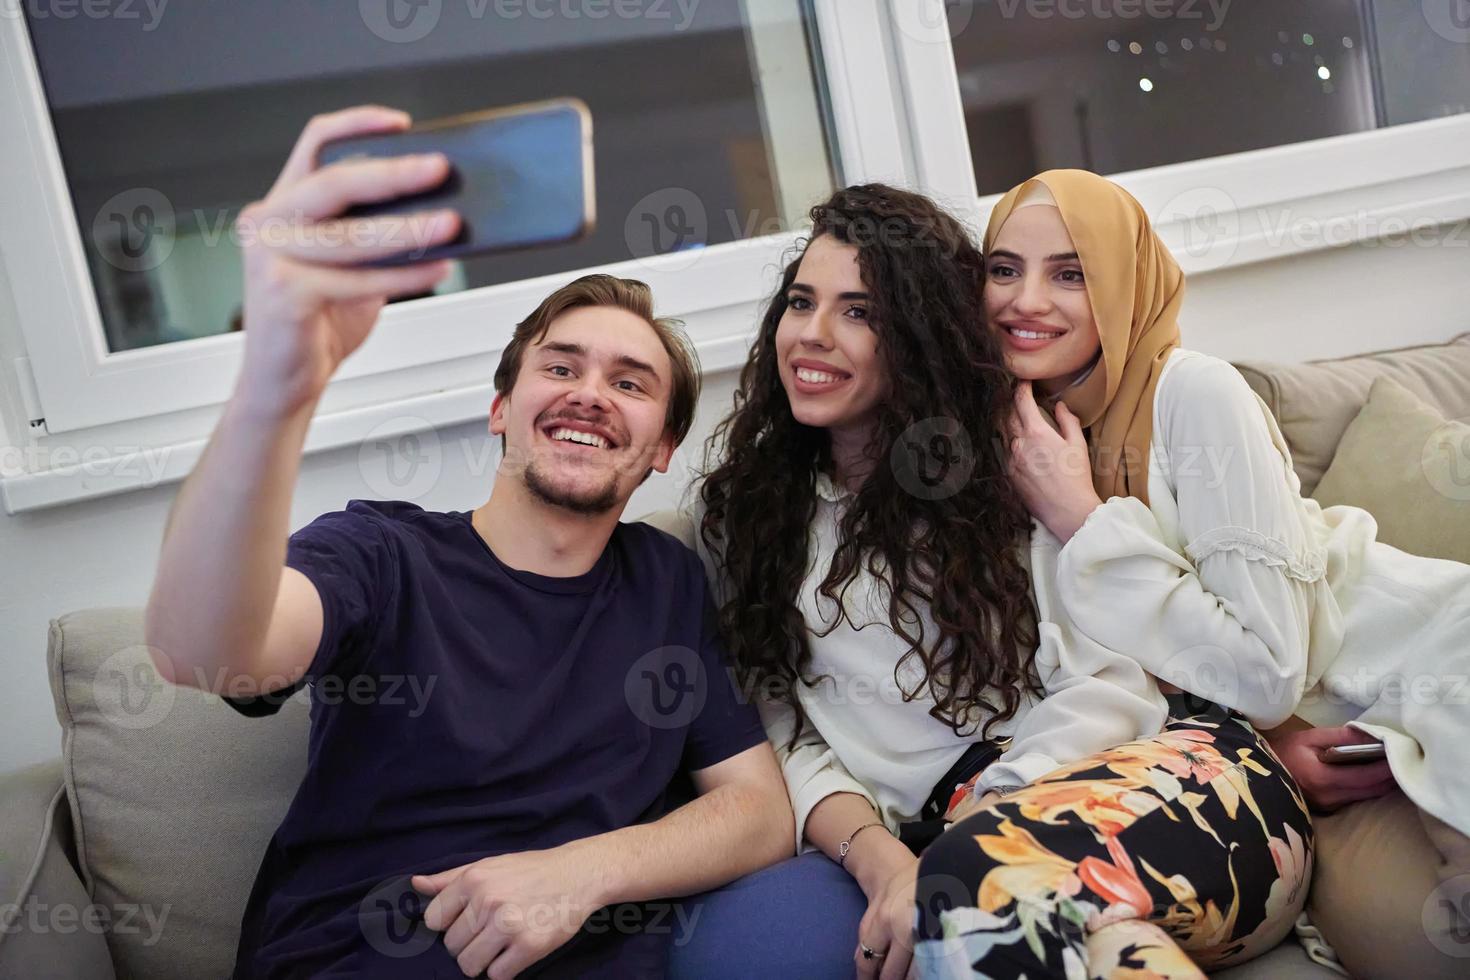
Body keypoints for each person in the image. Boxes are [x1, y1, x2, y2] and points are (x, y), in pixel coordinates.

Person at [143, 105, 794, 980]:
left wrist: (581, 872)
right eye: (560, 367)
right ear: (501, 410)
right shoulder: (381, 553)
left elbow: (758, 814)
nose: (591, 394)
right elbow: (204, 653)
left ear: (662, 449)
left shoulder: (665, 580)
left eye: (630, 383)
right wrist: (275, 387)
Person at [675, 184, 1300, 980]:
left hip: (1167, 783)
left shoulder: (1004, 465)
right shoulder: (741, 516)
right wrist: (881, 860)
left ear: (919, 337)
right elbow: (786, 738)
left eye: (860, 313)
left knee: (973, 906)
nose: (814, 336)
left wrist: (966, 840)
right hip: (998, 863)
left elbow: (1109, 687)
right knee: (1084, 950)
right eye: (801, 303)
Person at [919, 169, 1469, 977]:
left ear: (1125, 280)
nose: (1024, 300)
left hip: (1421, 659)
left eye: (1071, 273)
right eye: (1004, 269)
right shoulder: (1015, 432)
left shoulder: (1196, 396)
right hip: (1301, 747)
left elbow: (1268, 665)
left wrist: (1085, 519)